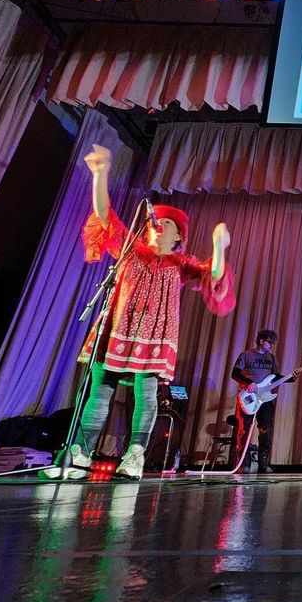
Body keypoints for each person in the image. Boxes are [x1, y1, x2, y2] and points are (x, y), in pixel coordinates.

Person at [43, 144, 235, 481]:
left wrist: (219, 247)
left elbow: (215, 275)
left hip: (155, 336)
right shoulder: (131, 249)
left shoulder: (180, 263)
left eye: (166, 223)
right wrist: (100, 174)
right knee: (99, 391)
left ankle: (135, 454)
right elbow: (105, 216)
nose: (157, 226)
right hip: (117, 328)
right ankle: (80, 453)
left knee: (145, 395)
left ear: (179, 235)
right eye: (154, 222)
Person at [229, 329, 302, 473]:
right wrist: (248, 382)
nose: (272, 345)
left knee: (266, 429)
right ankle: (244, 463)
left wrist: (292, 377)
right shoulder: (246, 355)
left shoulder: (272, 358)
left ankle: (263, 464)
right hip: (248, 397)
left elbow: (275, 377)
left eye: (273, 343)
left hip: (265, 399)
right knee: (244, 429)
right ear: (261, 341)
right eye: (270, 342)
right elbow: (235, 373)